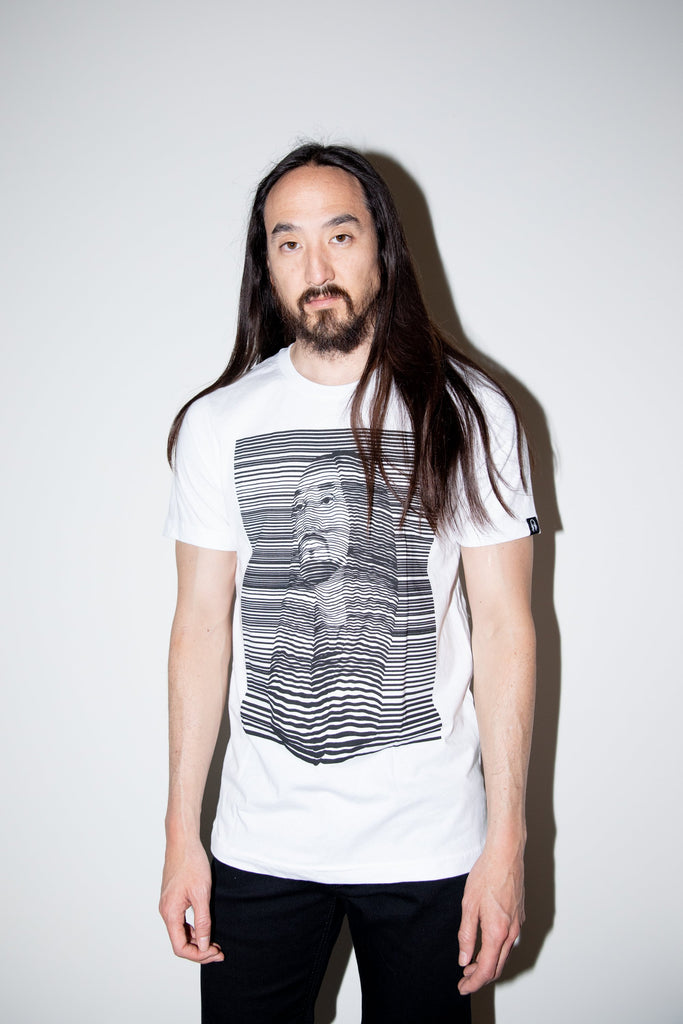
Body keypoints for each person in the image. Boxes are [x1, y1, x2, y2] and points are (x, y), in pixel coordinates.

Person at [160, 143, 539, 1024]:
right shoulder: (217, 424)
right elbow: (199, 629)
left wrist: (508, 840)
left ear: (382, 248)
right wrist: (181, 830)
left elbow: (505, 629)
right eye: (288, 242)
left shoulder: (467, 411)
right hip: (261, 843)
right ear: (265, 266)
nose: (316, 266)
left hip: (428, 845)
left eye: (339, 235)